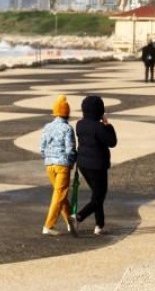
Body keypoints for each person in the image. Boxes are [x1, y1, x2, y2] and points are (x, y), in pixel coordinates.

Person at [72, 95, 117, 236]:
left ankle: (99, 225)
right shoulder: (99, 127)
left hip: (83, 165)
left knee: (96, 195)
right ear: (100, 111)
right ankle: (78, 217)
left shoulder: (80, 124)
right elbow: (112, 142)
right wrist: (108, 125)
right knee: (99, 197)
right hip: (98, 165)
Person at [39, 95, 77, 236]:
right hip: (62, 165)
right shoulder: (67, 129)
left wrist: (48, 158)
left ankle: (70, 222)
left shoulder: (47, 127)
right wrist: (71, 162)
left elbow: (41, 148)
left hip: (49, 165)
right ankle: (48, 225)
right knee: (59, 195)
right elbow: (70, 150)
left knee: (60, 195)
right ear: (67, 114)